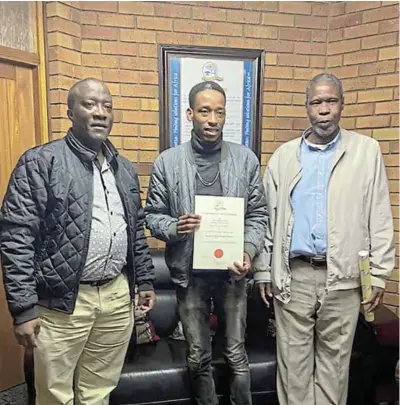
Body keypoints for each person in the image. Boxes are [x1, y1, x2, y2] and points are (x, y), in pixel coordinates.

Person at [0, 78, 156, 405]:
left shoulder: (124, 169)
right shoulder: (41, 163)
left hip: (115, 297)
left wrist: (144, 279)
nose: (100, 113)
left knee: (98, 390)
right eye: (89, 104)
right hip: (61, 303)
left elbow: (135, 230)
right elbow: (16, 237)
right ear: (71, 111)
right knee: (55, 394)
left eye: (107, 106)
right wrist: (24, 309)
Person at [255, 73, 395, 405]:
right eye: (317, 102)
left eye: (331, 101)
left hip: (343, 278)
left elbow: (379, 214)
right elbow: (266, 220)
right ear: (307, 108)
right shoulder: (284, 157)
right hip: (294, 277)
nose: (324, 110)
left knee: (334, 368)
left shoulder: (366, 152)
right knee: (294, 368)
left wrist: (378, 273)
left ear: (341, 105)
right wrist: (263, 269)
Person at [145, 81, 268, 405]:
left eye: (219, 111)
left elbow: (258, 214)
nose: (212, 119)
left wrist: (247, 251)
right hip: (191, 276)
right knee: (198, 357)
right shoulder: (167, 163)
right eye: (204, 111)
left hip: (232, 275)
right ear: (190, 114)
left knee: (235, 355)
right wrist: (175, 226)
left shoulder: (246, 160)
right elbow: (152, 215)